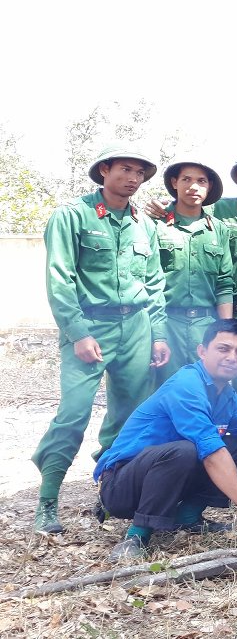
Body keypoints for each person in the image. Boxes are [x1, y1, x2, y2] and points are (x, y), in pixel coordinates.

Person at [34, 143, 170, 534]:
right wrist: (77, 332)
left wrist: (158, 334)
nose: (133, 179)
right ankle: (47, 501)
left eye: (140, 174)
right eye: (125, 170)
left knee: (129, 416)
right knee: (73, 414)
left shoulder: (145, 225)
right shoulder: (72, 216)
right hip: (90, 325)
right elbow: (60, 278)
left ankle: (109, 493)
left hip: (137, 327)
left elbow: (155, 283)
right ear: (104, 170)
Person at [94, 319, 237, 561]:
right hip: (121, 486)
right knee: (186, 451)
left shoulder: (226, 395)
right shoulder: (186, 385)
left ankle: (188, 517)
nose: (232, 358)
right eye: (223, 349)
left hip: (166, 477)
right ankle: (137, 536)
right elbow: (211, 452)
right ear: (202, 351)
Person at [147, 155, 237, 412]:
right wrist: (163, 209)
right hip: (217, 310)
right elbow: (187, 212)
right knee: (206, 379)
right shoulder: (218, 210)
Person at [153, 157, 234, 386]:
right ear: (174, 183)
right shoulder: (155, 224)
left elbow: (224, 283)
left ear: (209, 187)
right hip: (167, 323)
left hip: (205, 324)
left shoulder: (218, 230)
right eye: (186, 179)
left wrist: (225, 331)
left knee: (208, 390)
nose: (193, 186)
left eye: (201, 181)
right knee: (165, 391)